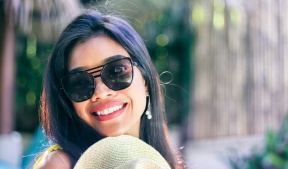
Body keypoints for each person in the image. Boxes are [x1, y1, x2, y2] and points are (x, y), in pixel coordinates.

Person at [33, 10, 182, 169]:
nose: (101, 92)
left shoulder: (165, 163)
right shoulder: (59, 165)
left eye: (117, 71)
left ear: (145, 78)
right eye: (80, 82)